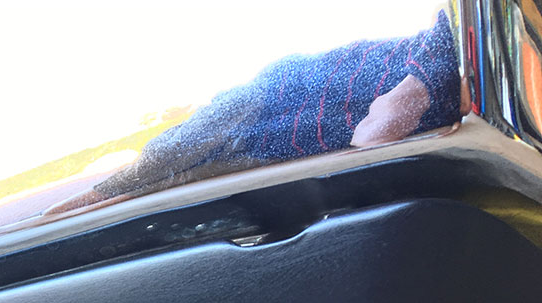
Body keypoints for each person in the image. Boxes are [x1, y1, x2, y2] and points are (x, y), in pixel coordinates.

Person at [50, 10, 466, 214]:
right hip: (277, 93)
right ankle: (60, 213)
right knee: (162, 161)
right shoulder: (445, 52)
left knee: (187, 176)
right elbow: (380, 126)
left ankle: (77, 209)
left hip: (287, 144)